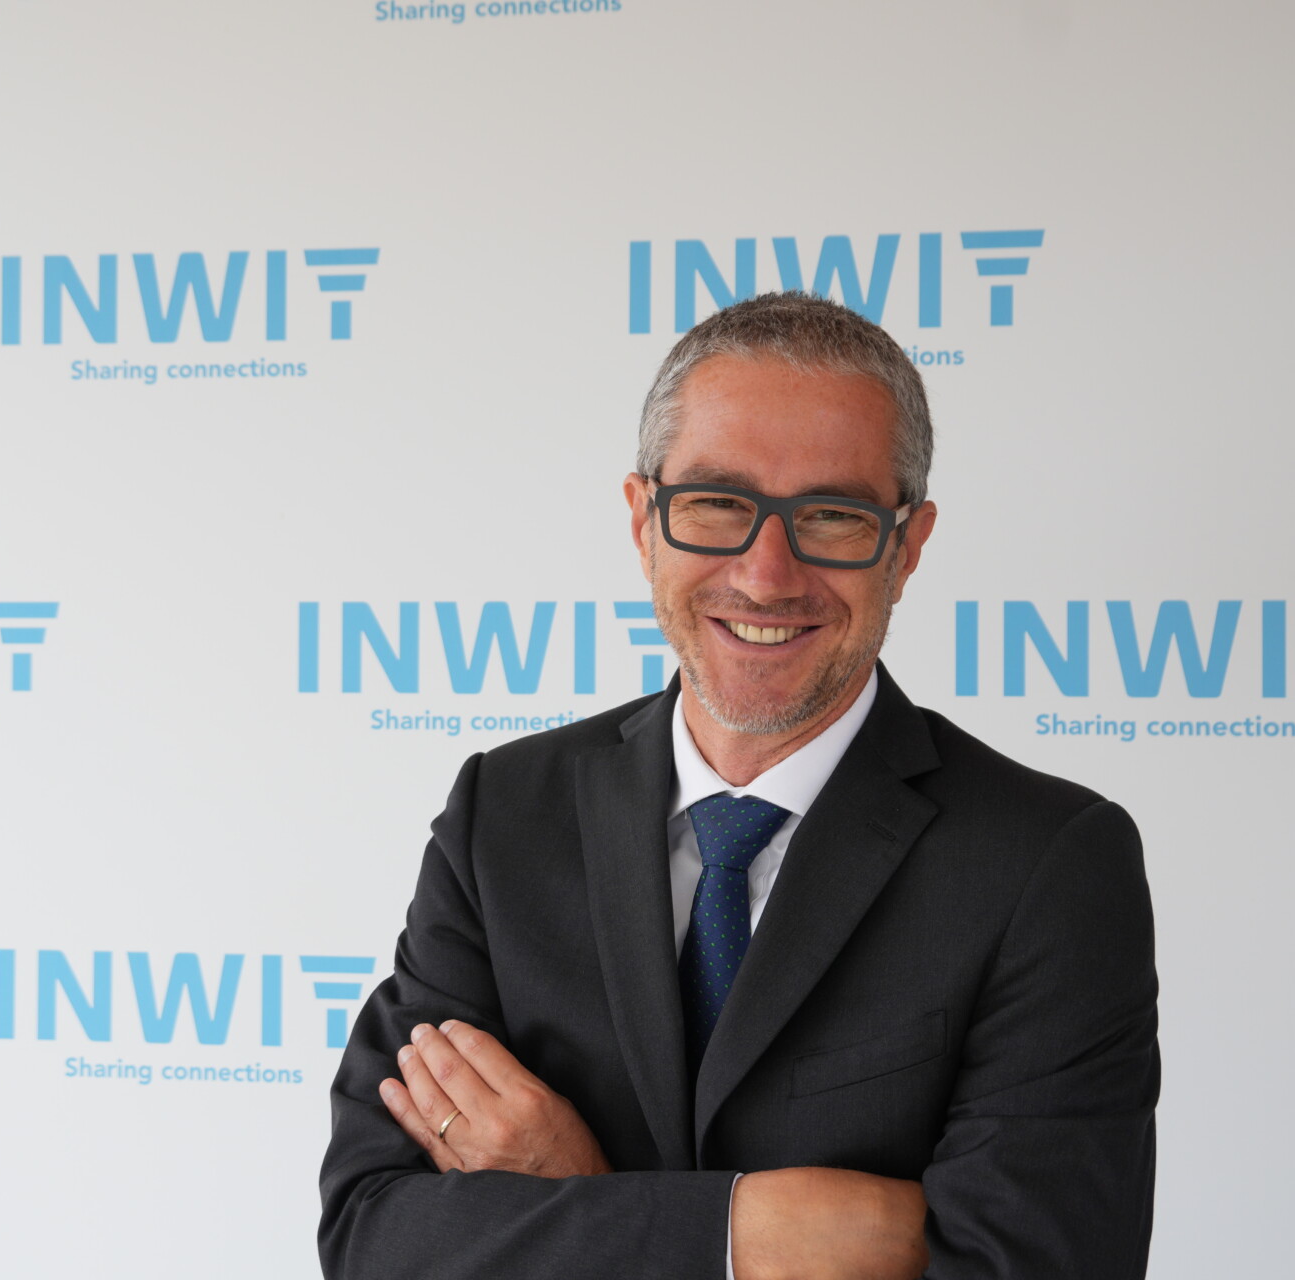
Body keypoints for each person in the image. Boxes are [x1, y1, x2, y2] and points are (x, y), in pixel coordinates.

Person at [318, 292, 1159, 1279]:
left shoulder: (1048, 862)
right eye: (717, 503)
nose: (766, 576)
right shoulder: (502, 813)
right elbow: (376, 1236)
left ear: (908, 545)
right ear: (644, 520)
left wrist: (574, 1193)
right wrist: (747, 1231)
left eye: (833, 515)